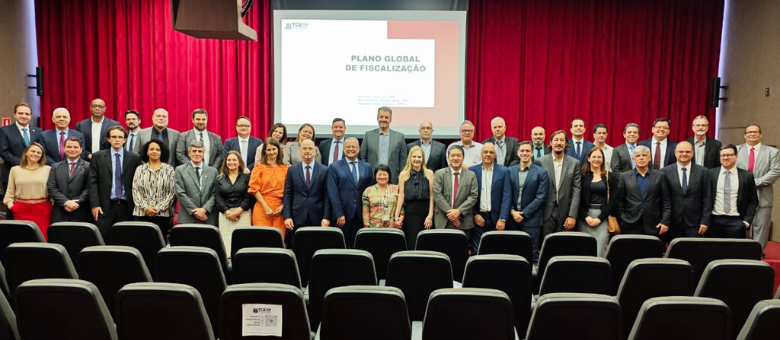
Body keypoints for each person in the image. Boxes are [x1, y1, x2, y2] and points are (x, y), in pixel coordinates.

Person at [87, 126, 144, 238]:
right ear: (109, 139)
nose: (117, 140)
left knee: (126, 238)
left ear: (125, 140)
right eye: (114, 137)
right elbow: (92, 182)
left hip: (127, 205)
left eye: (120, 137)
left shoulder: (134, 158)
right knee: (103, 238)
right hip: (104, 205)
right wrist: (95, 204)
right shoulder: (98, 157)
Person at [736, 124, 780, 248]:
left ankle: (758, 254)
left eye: (755, 132)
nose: (752, 134)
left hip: (763, 195)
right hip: (740, 195)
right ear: (745, 135)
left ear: (761, 135)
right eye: (749, 132)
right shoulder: (735, 150)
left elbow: (776, 171)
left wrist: (755, 182)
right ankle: (741, 252)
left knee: (761, 226)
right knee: (740, 226)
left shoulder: (773, 152)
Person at [613, 145, 671, 237]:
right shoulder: (624, 176)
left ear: (649, 158)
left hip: (655, 224)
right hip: (630, 223)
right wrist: (623, 218)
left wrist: (665, 221)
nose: (641, 158)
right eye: (638, 156)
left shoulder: (660, 176)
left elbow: (666, 201)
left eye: (644, 155)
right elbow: (619, 200)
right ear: (633, 159)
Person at [283, 139, 331, 247]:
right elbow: (288, 194)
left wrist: (326, 217)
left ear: (315, 151)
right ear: (300, 151)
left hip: (318, 217)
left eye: (310, 148)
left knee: (317, 249)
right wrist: (287, 216)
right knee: (298, 249)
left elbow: (327, 195)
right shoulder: (292, 170)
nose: (307, 151)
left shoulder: (324, 170)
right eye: (304, 148)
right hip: (297, 217)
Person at [328, 137, 373, 247]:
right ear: (343, 149)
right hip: (343, 216)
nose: (351, 149)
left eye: (354, 147)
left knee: (359, 245)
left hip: (361, 215)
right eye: (348, 146)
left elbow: (370, 191)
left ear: (358, 149)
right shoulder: (335, 166)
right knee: (341, 246)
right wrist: (339, 213)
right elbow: (332, 192)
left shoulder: (367, 167)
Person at [535, 130, 582, 237]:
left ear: (566, 143)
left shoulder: (574, 163)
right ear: (550, 143)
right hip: (545, 212)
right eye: (556, 140)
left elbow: (577, 190)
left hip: (566, 213)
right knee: (545, 246)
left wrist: (572, 215)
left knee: (563, 246)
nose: (559, 143)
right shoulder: (540, 162)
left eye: (562, 140)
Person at [508, 141, 548, 264]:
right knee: (512, 253)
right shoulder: (509, 171)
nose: (524, 153)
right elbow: (505, 195)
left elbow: (541, 197)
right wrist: (512, 212)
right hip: (512, 219)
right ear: (518, 153)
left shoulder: (541, 172)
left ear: (531, 153)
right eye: (522, 151)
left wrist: (524, 213)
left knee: (532, 254)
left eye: (527, 151)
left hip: (532, 220)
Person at [1, 103, 43, 219]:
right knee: (12, 208)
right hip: (12, 174)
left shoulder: (39, 131)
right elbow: (4, 152)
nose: (24, 116)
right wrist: (23, 164)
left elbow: (41, 152)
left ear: (30, 116)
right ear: (15, 114)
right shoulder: (5, 131)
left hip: (35, 176)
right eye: (20, 113)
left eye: (27, 114)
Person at [661, 141, 711, 238]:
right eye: (681, 151)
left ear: (692, 153)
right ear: (675, 153)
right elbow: (663, 198)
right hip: (672, 222)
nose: (684, 154)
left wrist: (705, 221)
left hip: (695, 223)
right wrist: (664, 220)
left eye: (687, 152)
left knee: (693, 251)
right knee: (673, 252)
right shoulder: (665, 172)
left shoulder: (703, 171)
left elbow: (707, 197)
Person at [3, 143, 52, 238]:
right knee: (22, 239)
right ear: (26, 153)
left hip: (42, 211)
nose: (35, 154)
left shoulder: (48, 169)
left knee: (42, 240)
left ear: (42, 156)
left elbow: (53, 191)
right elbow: (9, 192)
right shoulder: (15, 170)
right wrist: (12, 206)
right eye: (33, 151)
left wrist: (50, 207)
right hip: (21, 210)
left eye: (39, 152)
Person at [709, 145, 758, 239]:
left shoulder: (747, 176)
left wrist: (747, 221)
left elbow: (753, 200)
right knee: (713, 252)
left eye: (729, 155)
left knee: (734, 252)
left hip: (736, 222)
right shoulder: (710, 174)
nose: (726, 158)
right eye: (722, 155)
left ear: (736, 156)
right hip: (714, 221)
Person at [469, 142, 511, 252]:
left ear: (495, 155)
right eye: (485, 152)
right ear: (481, 154)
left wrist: (502, 218)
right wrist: (475, 214)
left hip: (496, 219)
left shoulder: (504, 171)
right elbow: (468, 195)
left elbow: (506, 196)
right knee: (477, 251)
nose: (488, 154)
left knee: (496, 250)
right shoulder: (472, 171)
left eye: (491, 152)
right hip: (478, 218)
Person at [131, 140, 176, 239]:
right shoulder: (140, 169)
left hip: (163, 215)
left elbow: (172, 193)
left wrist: (158, 209)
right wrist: (146, 208)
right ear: (146, 152)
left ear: (162, 152)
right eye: (151, 149)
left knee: (159, 243)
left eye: (157, 149)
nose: (154, 151)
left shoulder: (169, 170)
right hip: (141, 213)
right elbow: (135, 191)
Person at [578, 147, 618, 257]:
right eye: (594, 157)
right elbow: (577, 198)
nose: (596, 159)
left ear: (603, 159)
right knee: (584, 251)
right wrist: (586, 217)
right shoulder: (582, 176)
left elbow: (613, 199)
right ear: (588, 159)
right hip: (584, 218)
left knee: (600, 251)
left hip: (603, 218)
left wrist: (600, 218)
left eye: (599, 157)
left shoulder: (610, 176)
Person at [433, 145, 479, 239]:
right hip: (443, 220)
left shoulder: (471, 175)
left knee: (461, 251)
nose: (455, 158)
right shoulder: (439, 174)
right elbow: (437, 195)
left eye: (459, 155)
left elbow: (473, 196)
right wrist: (451, 214)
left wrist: (459, 211)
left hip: (463, 221)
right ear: (448, 158)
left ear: (463, 158)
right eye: (453, 155)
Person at [249, 138, 289, 240]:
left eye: (274, 149)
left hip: (280, 210)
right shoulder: (259, 167)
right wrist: (266, 207)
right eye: (268, 150)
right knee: (262, 240)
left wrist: (283, 206)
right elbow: (254, 189)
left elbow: (290, 190)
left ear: (278, 150)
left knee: (278, 241)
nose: (272, 152)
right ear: (264, 152)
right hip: (262, 208)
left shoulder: (286, 168)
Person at [215, 151, 254, 254]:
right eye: (229, 160)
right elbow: (218, 198)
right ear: (225, 162)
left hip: (243, 214)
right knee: (226, 247)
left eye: (234, 160)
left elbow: (248, 198)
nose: (231, 162)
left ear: (239, 162)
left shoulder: (246, 178)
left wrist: (236, 213)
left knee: (243, 244)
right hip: (225, 215)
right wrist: (228, 213)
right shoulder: (219, 179)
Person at [396, 146, 434, 250]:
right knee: (411, 243)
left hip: (425, 213)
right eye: (414, 157)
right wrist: (396, 216)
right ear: (410, 158)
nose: (417, 159)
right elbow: (401, 196)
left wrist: (430, 216)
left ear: (423, 159)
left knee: (425, 243)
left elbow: (432, 196)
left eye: (419, 157)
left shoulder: (429, 173)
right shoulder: (403, 174)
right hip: (409, 214)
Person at [174, 140, 219, 226]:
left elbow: (215, 193)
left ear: (203, 154)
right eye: (194, 151)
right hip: (188, 217)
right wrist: (196, 211)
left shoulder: (213, 171)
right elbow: (180, 193)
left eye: (200, 151)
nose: (197, 154)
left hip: (208, 217)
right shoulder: (180, 170)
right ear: (189, 153)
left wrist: (204, 209)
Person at [48, 137, 91, 223]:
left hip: (81, 210)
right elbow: (51, 188)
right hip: (60, 211)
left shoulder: (89, 166)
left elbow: (90, 187)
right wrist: (66, 202)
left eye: (75, 147)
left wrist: (76, 202)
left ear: (81, 149)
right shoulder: (55, 167)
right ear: (64, 149)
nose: (72, 149)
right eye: (69, 147)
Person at [359, 106, 407, 184]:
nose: (383, 119)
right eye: (381, 117)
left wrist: (401, 177)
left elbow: (403, 160)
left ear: (390, 119)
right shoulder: (368, 135)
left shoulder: (399, 137)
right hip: (372, 179)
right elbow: (362, 157)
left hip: (393, 179)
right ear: (377, 118)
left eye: (386, 117)